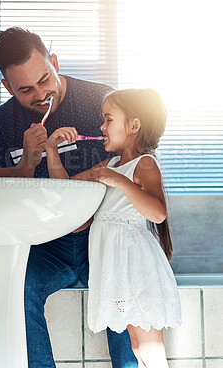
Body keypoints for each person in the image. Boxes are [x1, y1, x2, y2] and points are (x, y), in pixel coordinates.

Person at [0, 27, 138, 368]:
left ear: (54, 61)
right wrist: (27, 160)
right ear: (8, 88)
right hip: (44, 244)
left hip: (101, 237)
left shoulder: (104, 103)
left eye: (45, 79)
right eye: (26, 90)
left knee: (123, 292)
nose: (41, 95)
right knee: (17, 292)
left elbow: (131, 168)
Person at [45, 88, 182, 368]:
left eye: (108, 120)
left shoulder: (144, 164)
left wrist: (118, 180)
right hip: (117, 268)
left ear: (133, 125)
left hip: (136, 267)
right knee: (137, 346)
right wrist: (51, 150)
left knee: (149, 349)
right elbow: (67, 189)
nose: (101, 127)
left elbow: (157, 213)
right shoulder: (111, 165)